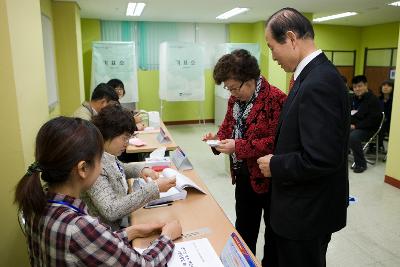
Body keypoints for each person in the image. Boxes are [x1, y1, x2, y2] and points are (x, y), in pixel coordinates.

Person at [14, 116, 181, 266]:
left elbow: (91, 244)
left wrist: (132, 231)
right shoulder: (79, 227)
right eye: (100, 158)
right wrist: (166, 237)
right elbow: (144, 264)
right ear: (83, 168)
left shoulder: (36, 203)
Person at [258, 8, 350, 267]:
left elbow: (322, 158)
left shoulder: (319, 82)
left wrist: (275, 164)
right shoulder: (309, 76)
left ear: (291, 38)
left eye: (272, 46)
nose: (272, 56)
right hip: (296, 208)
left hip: (307, 214)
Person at [202, 49, 286, 263]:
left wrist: (238, 146)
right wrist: (217, 139)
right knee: (244, 229)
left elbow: (277, 142)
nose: (231, 93)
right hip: (243, 175)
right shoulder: (235, 101)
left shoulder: (276, 99)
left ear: (250, 80)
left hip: (269, 178)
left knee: (274, 234)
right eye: (228, 89)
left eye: (234, 88)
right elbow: (228, 127)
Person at [82, 104, 176, 230]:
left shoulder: (105, 154)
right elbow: (111, 210)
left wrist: (142, 169)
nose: (127, 143)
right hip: (108, 232)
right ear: (109, 134)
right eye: (124, 138)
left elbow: (120, 168)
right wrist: (155, 188)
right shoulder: (95, 163)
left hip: (119, 224)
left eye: (129, 138)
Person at [349, 75, 382, 173]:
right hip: (356, 126)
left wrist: (356, 126)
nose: (357, 89)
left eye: (360, 86)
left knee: (353, 137)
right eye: (355, 87)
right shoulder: (353, 99)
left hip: (369, 129)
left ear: (366, 85)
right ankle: (343, 154)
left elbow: (373, 120)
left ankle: (361, 164)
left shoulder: (373, 100)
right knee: (337, 129)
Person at [378, 79, 394, 152]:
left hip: (391, 123)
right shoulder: (377, 99)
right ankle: (376, 146)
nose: (385, 87)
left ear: (393, 88)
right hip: (379, 121)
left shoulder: (394, 100)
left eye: (389, 86)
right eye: (384, 85)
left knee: (382, 125)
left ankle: (379, 145)